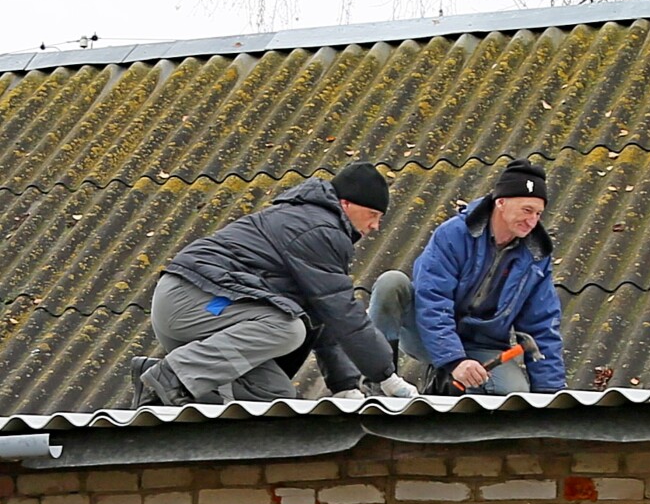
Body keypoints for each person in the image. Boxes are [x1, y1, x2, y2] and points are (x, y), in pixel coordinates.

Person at [132, 161, 417, 406]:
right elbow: (343, 313)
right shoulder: (318, 229)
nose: (375, 227)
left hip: (212, 317)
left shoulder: (314, 226)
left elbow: (326, 317)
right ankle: (170, 375)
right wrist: (386, 376)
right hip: (195, 299)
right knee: (287, 328)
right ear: (347, 204)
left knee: (276, 400)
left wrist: (345, 387)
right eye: (373, 216)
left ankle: (160, 383)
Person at [369, 159, 566, 394]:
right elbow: (433, 301)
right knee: (391, 283)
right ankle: (379, 382)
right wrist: (454, 361)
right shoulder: (453, 235)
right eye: (526, 210)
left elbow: (541, 324)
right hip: (426, 331)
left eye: (538, 213)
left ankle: (445, 387)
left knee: (514, 395)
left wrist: (549, 394)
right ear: (501, 202)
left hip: (483, 344)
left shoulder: (536, 256)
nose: (532, 221)